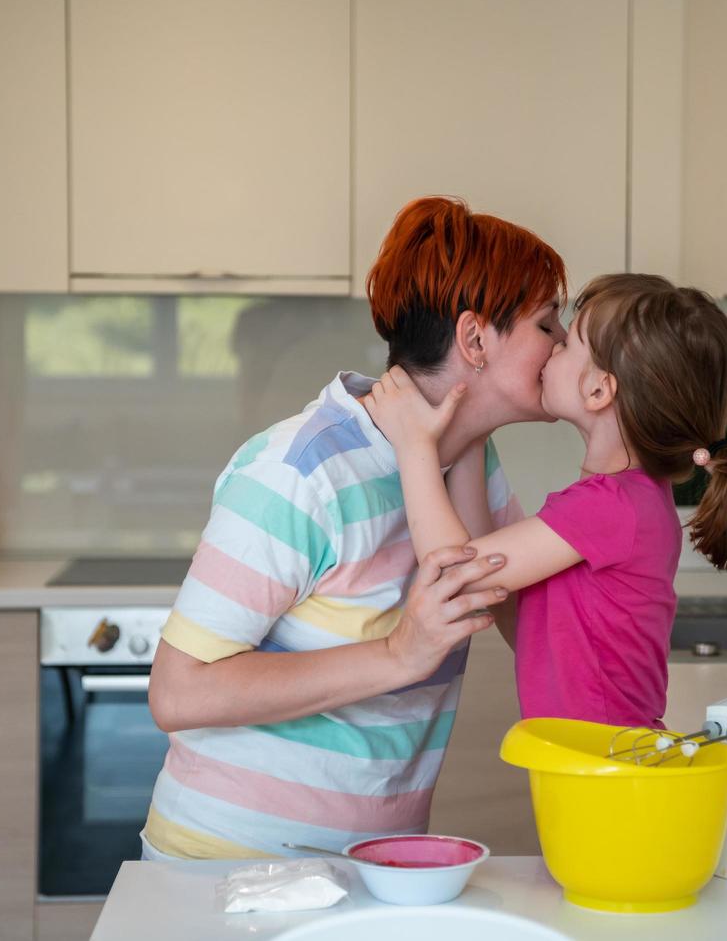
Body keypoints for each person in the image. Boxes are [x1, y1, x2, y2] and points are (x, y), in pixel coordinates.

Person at [141, 196, 568, 859]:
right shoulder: (304, 469)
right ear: (476, 339)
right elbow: (178, 691)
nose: (563, 344)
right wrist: (400, 653)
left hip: (370, 866)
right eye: (549, 324)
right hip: (229, 870)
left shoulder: (470, 466)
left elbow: (528, 621)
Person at [364, 273, 727, 729]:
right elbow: (494, 579)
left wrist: (415, 446)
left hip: (603, 772)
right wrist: (471, 434)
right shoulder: (630, 498)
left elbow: (457, 572)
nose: (552, 349)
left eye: (568, 343)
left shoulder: (611, 507)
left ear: (598, 390)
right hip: (602, 763)